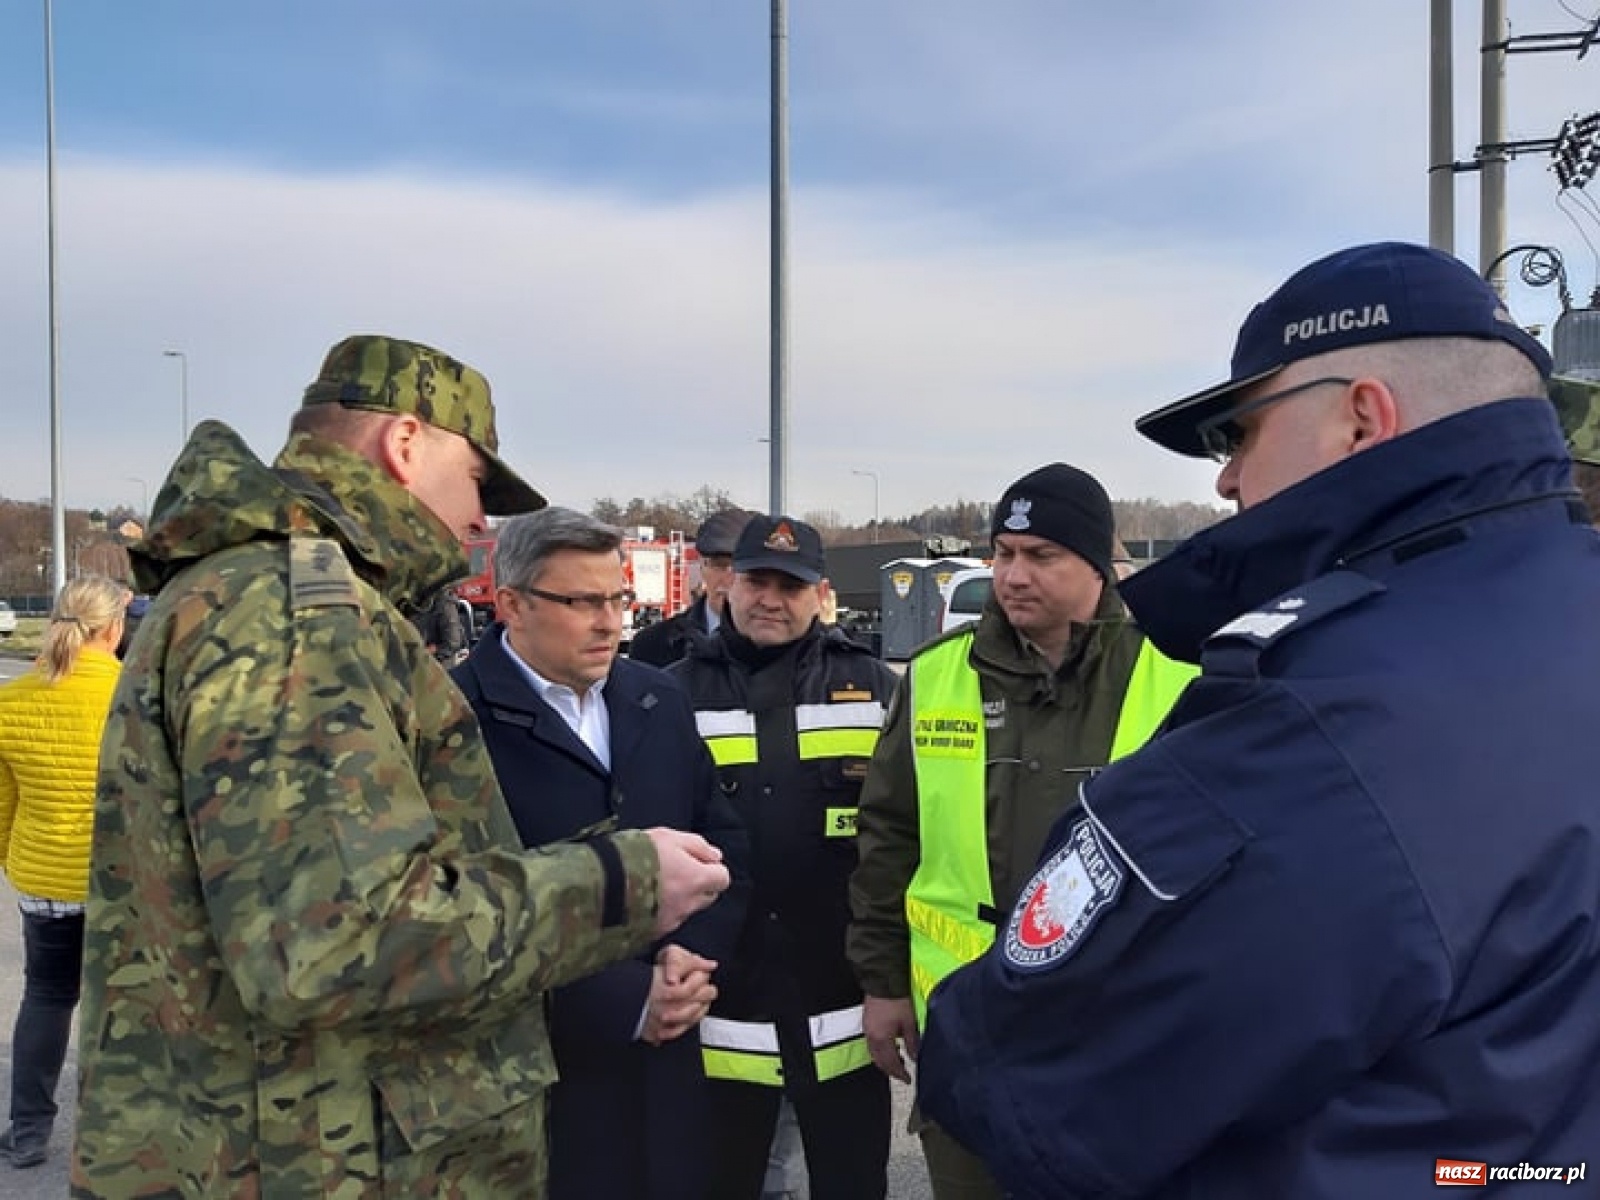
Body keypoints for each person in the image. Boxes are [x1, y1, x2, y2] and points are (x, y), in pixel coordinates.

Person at [917, 242, 1600, 1197]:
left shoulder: (1322, 720)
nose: (1227, 481)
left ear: (1361, 418)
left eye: (1239, 433)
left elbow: (1027, 1075)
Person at [71, 335, 731, 1198]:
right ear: (405, 443)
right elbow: (330, 941)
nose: (479, 520)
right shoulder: (294, 613)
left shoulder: (274, 594)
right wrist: (619, 881)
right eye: (476, 481)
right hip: (304, 1157)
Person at [847, 463, 1196, 1199]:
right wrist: (882, 984)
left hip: (1120, 1036)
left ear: (1097, 565)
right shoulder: (937, 677)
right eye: (1002, 553)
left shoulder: (1177, 674)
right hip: (968, 1026)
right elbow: (887, 837)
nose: (1012, 575)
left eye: (1041, 555)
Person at [451, 506, 751, 1200]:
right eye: (582, 602)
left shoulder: (656, 698)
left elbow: (724, 844)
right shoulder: (455, 721)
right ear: (511, 604)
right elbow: (449, 914)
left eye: (618, 599)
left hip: (669, 1078)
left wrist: (692, 958)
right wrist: (626, 1001)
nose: (610, 622)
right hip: (539, 1095)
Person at [672, 515, 901, 1200]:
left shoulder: (875, 688)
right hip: (721, 1002)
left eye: (790, 586)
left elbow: (903, 833)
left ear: (820, 594)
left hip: (842, 999)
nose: (770, 599)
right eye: (756, 582)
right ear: (727, 584)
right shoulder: (669, 692)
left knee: (852, 1183)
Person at [0, 576, 128, 1170]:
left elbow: (2, 808)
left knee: (47, 999)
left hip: (46, 883)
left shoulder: (14, 698)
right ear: (114, 628)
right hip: (122, 882)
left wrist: (18, 862)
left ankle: (28, 1133)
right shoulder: (132, 696)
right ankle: (118, 1142)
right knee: (124, 1008)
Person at [629, 508, 753, 667]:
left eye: (741, 568)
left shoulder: (778, 647)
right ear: (701, 565)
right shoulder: (652, 645)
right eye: (719, 564)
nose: (730, 579)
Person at [410, 583, 471, 665]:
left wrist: (427, 651)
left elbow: (453, 643)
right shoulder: (415, 602)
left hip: (443, 662)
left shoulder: (444, 604)